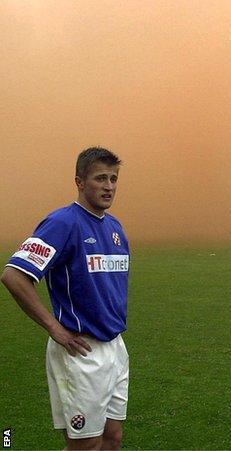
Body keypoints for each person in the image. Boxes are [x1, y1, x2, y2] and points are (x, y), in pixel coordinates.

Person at [1, 147, 130, 450]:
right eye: (100, 178)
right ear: (80, 181)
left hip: (115, 348)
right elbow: (14, 275)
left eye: (113, 179)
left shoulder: (115, 228)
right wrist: (54, 327)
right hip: (80, 352)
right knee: (86, 445)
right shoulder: (62, 223)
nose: (109, 186)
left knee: (113, 438)